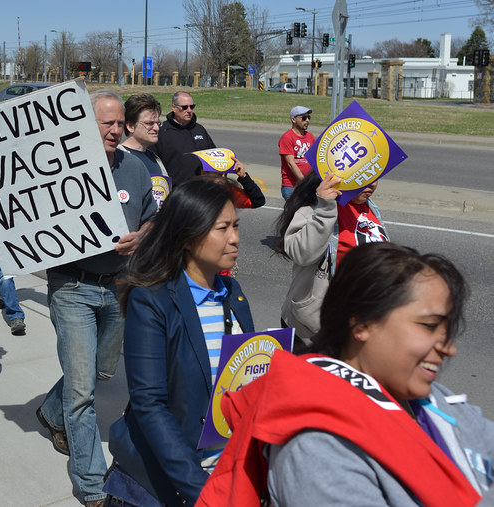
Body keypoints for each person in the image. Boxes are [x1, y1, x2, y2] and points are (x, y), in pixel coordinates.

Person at [198, 242, 492, 507]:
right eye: (429, 326)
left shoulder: (431, 401)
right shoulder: (317, 448)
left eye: (447, 330)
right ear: (362, 324)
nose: (449, 348)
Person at [37, 90, 157, 506]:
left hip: (120, 286)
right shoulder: (55, 170)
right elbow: (16, 214)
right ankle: (92, 486)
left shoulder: (135, 168)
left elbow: (152, 219)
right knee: (83, 393)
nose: (115, 129)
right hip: (73, 287)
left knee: (102, 371)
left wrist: (141, 236)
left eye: (120, 122)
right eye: (106, 122)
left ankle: (50, 412)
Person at [103, 177, 253, 506]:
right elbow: (149, 405)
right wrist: (201, 491)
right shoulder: (152, 301)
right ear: (187, 237)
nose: (235, 238)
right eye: (222, 228)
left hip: (225, 475)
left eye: (237, 226)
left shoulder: (234, 296)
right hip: (163, 486)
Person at [273, 173, 388, 346]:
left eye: (374, 175)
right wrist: (325, 210)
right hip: (313, 330)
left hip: (358, 326)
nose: (371, 184)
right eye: (363, 177)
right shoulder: (313, 211)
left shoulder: (370, 208)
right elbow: (301, 254)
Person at [153, 91, 215, 186]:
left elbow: (214, 157)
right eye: (185, 107)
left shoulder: (199, 129)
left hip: (200, 191)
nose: (189, 110)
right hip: (175, 192)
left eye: (192, 107)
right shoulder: (162, 131)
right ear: (174, 108)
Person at [119, 93, 169, 207]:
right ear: (130, 126)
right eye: (149, 123)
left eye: (157, 123)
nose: (156, 128)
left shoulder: (155, 160)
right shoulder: (117, 158)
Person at [279, 106, 315, 200]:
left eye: (308, 117)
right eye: (303, 118)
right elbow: (291, 164)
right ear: (293, 120)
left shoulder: (310, 137)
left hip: (308, 185)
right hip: (292, 186)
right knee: (295, 213)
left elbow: (315, 161)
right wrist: (304, 183)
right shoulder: (287, 137)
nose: (307, 120)